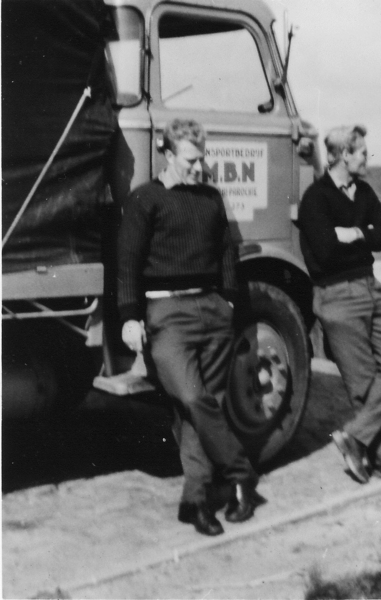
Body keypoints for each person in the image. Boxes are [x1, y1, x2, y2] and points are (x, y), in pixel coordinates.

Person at [117, 118, 259, 536]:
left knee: (200, 407)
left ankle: (195, 501)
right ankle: (241, 474)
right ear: (167, 153)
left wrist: (230, 300)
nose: (200, 168)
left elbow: (226, 254)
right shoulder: (146, 200)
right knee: (196, 400)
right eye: (191, 160)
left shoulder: (211, 198)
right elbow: (127, 263)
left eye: (203, 159)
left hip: (213, 311)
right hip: (167, 316)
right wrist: (128, 316)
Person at [298, 125, 381, 489]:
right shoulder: (315, 199)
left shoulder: (363, 191)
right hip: (336, 296)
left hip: (371, 288)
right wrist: (361, 234)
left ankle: (354, 436)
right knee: (363, 386)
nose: (367, 157)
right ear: (341, 156)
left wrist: (355, 233)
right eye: (362, 152)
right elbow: (325, 251)